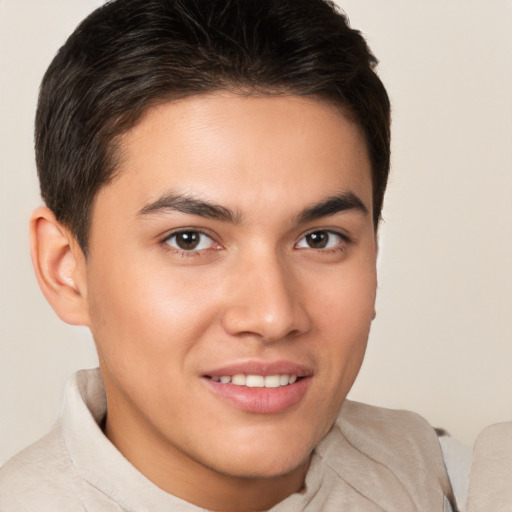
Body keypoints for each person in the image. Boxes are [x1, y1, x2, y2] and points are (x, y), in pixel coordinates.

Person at [0, 0, 461, 510]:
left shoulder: (439, 474)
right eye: (189, 240)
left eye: (319, 239)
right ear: (65, 269)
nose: (272, 316)